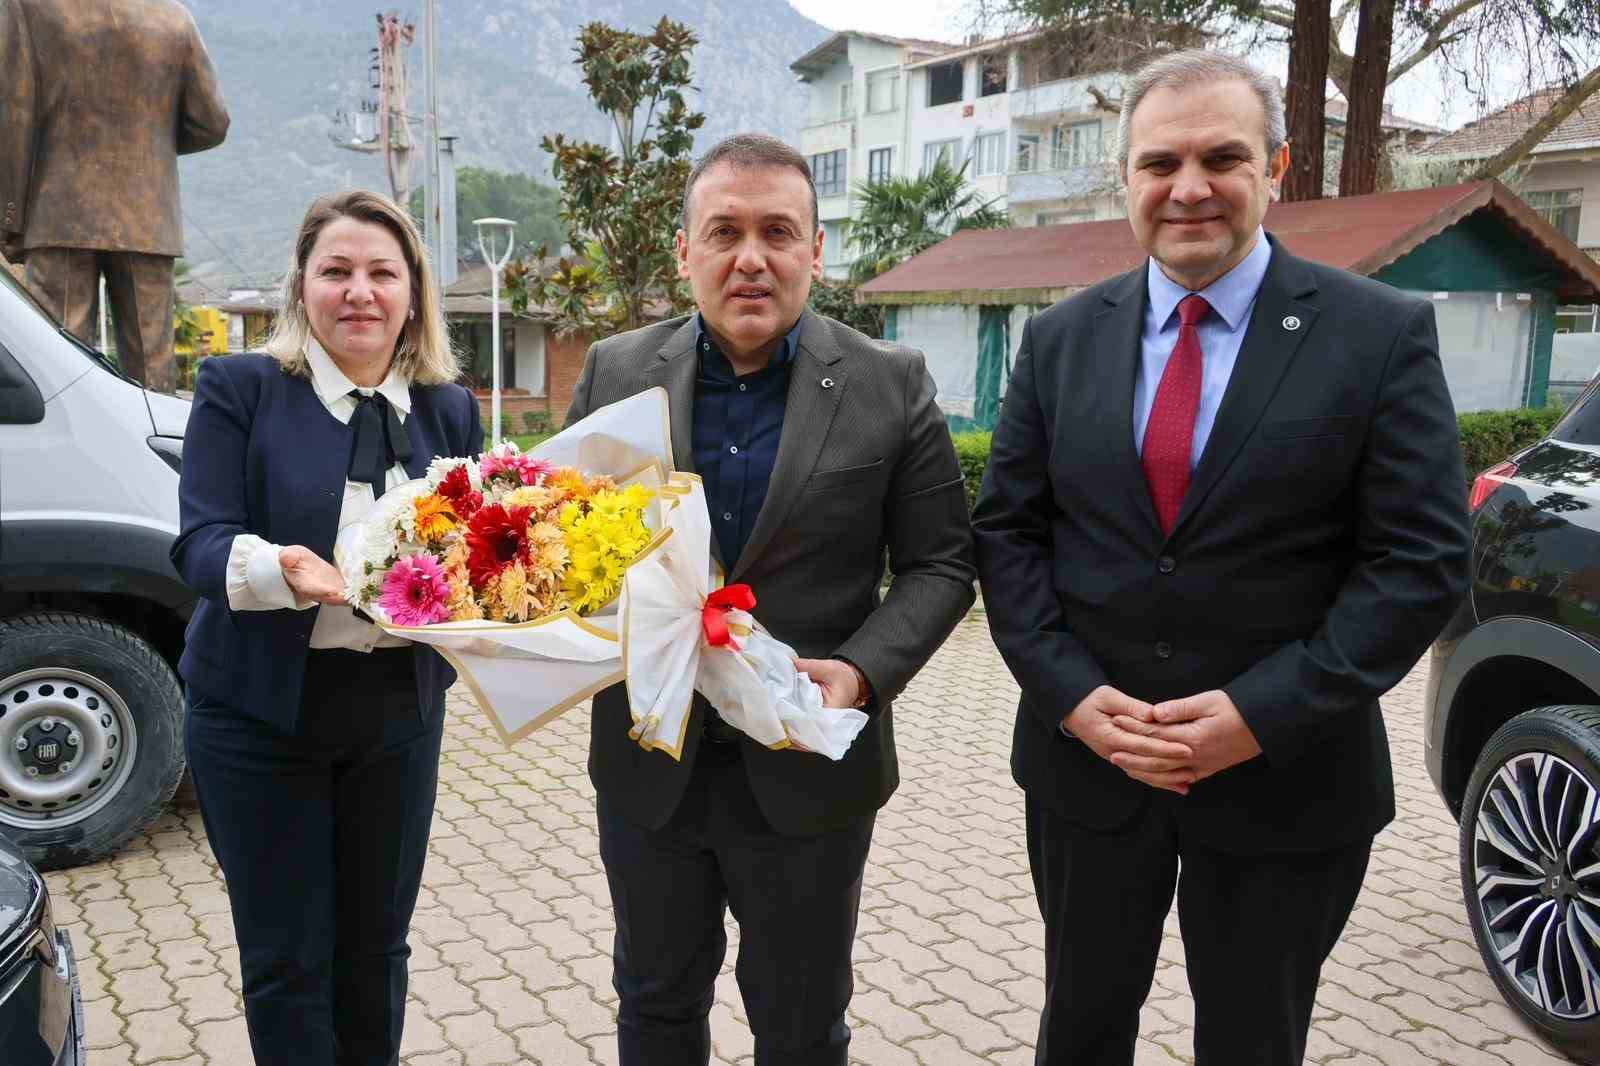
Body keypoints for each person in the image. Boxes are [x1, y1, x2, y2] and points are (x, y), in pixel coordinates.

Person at [972, 51, 1472, 1065]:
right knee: (1078, 1028)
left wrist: (1260, 713)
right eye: (1159, 162)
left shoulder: (1378, 334)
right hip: (1090, 769)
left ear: (1276, 167)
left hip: (1287, 780)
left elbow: (1419, 560)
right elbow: (1008, 534)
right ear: (1126, 181)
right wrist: (1071, 694)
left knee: (1253, 1040)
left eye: (1221, 157)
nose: (1188, 187)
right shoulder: (1061, 338)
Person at [564, 132, 976, 1066]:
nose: (751, 257)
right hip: (649, 767)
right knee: (656, 1009)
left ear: (816, 251)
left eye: (779, 231)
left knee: (801, 1026)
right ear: (686, 253)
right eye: (724, 231)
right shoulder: (616, 370)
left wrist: (863, 676)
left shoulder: (890, 383)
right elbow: (568, 540)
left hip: (806, 770)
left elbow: (943, 565)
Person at [171, 190, 481, 1066]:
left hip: (396, 717)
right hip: (258, 717)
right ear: (300, 287)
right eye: (335, 271)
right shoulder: (243, 389)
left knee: (377, 951)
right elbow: (198, 544)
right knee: (286, 961)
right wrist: (286, 570)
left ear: (413, 294)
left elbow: (479, 558)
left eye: (382, 272)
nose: (360, 291)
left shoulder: (449, 409)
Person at [0, 0, 229, 392]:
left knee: (59, 358)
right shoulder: (174, 16)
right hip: (148, 217)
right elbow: (212, 122)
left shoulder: (28, 6)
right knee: (153, 366)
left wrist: (9, 216)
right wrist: (149, 149)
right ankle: (156, 451)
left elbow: (13, 113)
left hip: (60, 214)